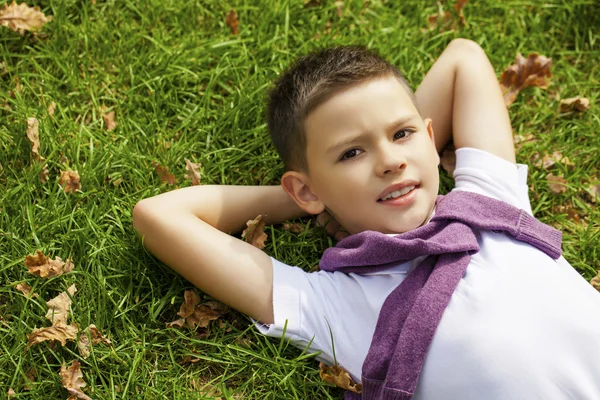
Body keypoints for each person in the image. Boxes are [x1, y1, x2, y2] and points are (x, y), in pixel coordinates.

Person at [132, 39, 600, 399]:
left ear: (430, 137)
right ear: (306, 187)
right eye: (352, 152)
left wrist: (344, 183)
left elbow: (464, 58)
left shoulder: (491, 203)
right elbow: (159, 215)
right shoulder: (336, 305)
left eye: (402, 133)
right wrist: (312, 198)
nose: (390, 161)